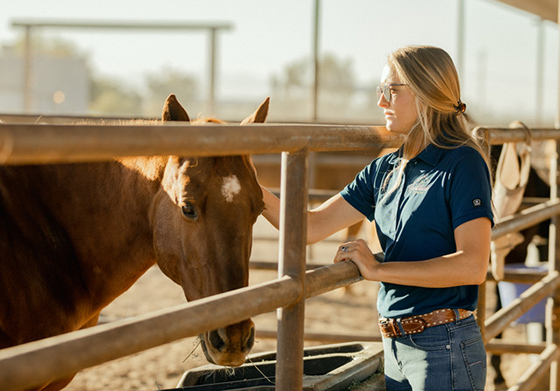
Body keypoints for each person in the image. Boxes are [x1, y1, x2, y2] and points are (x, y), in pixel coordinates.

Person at [259, 45, 493, 390]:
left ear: (425, 93)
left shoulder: (462, 163)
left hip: (445, 346)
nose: (381, 102)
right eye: (380, 91)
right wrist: (243, 180)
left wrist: (378, 270)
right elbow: (309, 226)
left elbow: (473, 265)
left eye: (390, 91)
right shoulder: (385, 169)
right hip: (394, 347)